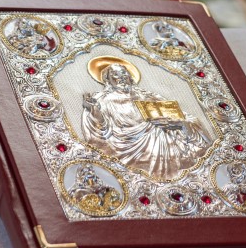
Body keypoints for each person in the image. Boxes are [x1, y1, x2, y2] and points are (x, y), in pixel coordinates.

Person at [80, 59, 213, 181]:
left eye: (124, 73)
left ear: (130, 76)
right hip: (130, 147)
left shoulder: (148, 96)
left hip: (166, 140)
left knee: (173, 131)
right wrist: (94, 110)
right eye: (115, 74)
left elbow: (181, 116)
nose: (121, 77)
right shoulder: (104, 101)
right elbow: (101, 132)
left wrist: (181, 124)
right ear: (108, 80)